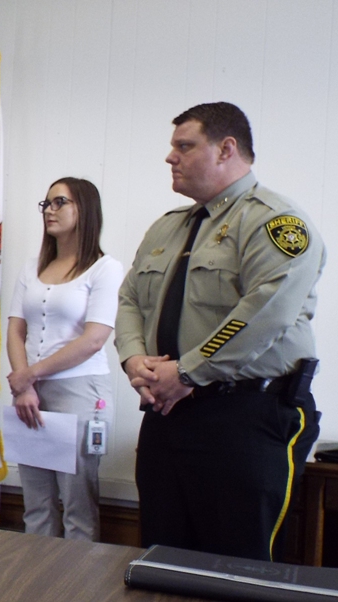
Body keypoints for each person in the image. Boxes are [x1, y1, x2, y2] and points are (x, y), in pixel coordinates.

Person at [116, 102, 325, 561]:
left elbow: (263, 315)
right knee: (161, 561)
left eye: (184, 146)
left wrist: (187, 371)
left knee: (236, 567)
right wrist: (135, 360)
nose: (170, 157)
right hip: (167, 414)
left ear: (226, 149)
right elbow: (130, 299)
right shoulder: (167, 228)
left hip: (245, 417)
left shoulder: (276, 222)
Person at [6, 177, 123, 541]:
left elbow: (94, 339)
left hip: (80, 392)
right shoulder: (32, 267)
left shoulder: (105, 268)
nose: (49, 211)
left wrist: (28, 376)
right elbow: (15, 331)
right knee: (36, 505)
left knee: (78, 508)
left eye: (60, 202)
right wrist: (24, 385)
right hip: (30, 395)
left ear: (84, 209)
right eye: (46, 204)